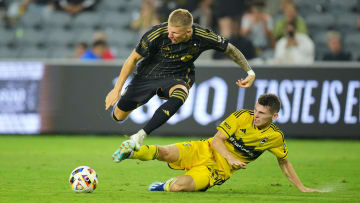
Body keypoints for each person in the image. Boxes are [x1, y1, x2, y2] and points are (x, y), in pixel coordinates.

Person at [105, 9, 256, 160]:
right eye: (170, 31)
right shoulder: (156, 33)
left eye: (175, 33)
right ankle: (136, 102)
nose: (170, 35)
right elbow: (132, 59)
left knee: (181, 93)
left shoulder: (202, 35)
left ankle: (140, 135)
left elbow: (231, 49)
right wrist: (117, 89)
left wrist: (250, 72)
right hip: (147, 76)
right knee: (118, 116)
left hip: (178, 76)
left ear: (188, 31)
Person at [113, 93, 324, 193]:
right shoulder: (242, 116)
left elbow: (284, 162)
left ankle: (163, 185)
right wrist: (231, 157)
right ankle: (131, 152)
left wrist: (302, 187)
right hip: (205, 149)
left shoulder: (275, 137)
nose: (255, 115)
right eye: (256, 110)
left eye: (261, 113)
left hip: (217, 171)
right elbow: (217, 140)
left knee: (178, 187)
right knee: (166, 152)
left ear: (274, 117)